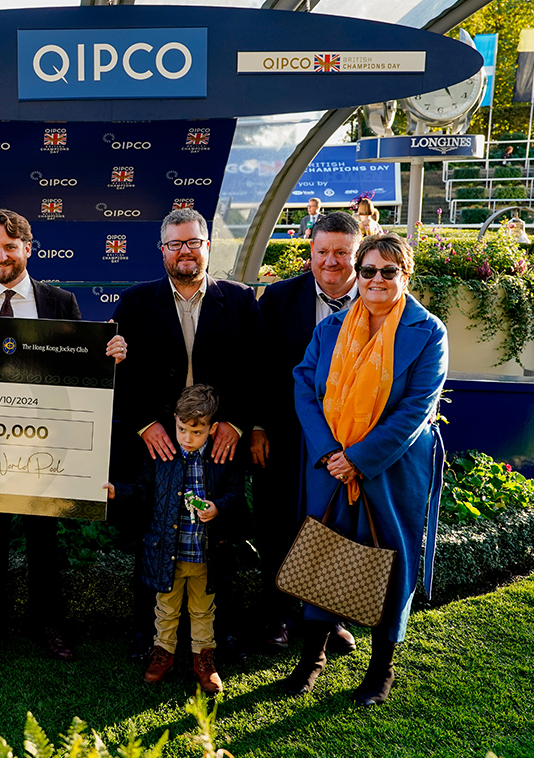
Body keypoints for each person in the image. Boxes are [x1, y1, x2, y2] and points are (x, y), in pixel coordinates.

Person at [0, 208, 127, 661]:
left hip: (44, 443)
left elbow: (82, 371)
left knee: (43, 541)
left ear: (27, 249)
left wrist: (109, 353)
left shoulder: (60, 303)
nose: (1, 256)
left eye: (10, 247)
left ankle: (49, 627)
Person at [287, 232, 447, 706]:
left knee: (390, 561)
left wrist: (359, 458)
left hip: (390, 468)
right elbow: (303, 384)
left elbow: (418, 406)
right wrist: (331, 452)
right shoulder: (331, 328)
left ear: (405, 274)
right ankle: (311, 660)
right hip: (329, 464)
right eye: (369, 270)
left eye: (388, 271)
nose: (377, 280)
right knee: (322, 554)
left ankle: (381, 670)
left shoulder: (428, 331)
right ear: (358, 275)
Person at [110, 207, 262, 661]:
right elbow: (121, 376)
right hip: (159, 442)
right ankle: (150, 636)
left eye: (193, 241)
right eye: (175, 244)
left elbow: (260, 372)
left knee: (219, 535)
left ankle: (217, 637)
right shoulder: (136, 303)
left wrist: (235, 425)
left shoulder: (238, 300)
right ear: (162, 252)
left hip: (220, 442)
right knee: (153, 535)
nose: (185, 251)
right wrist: (144, 424)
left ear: (208, 245)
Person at [252, 212, 362, 653]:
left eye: (342, 252)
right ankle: (277, 614)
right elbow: (258, 368)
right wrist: (256, 426)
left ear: (358, 253)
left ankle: (328, 620)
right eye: (322, 251)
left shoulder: (377, 299)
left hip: (346, 443)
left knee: (335, 525)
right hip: (282, 435)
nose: (331, 262)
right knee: (277, 523)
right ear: (310, 252)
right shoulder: (278, 299)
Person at [105, 385, 244, 693]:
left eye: (196, 431)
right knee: (165, 609)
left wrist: (218, 507)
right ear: (175, 422)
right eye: (182, 429)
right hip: (168, 553)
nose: (187, 438)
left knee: (203, 610)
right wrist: (118, 491)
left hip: (205, 555)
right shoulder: (162, 457)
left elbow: (237, 496)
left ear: (213, 429)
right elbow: (143, 490)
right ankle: (162, 655)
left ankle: (203, 660)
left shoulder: (222, 460)